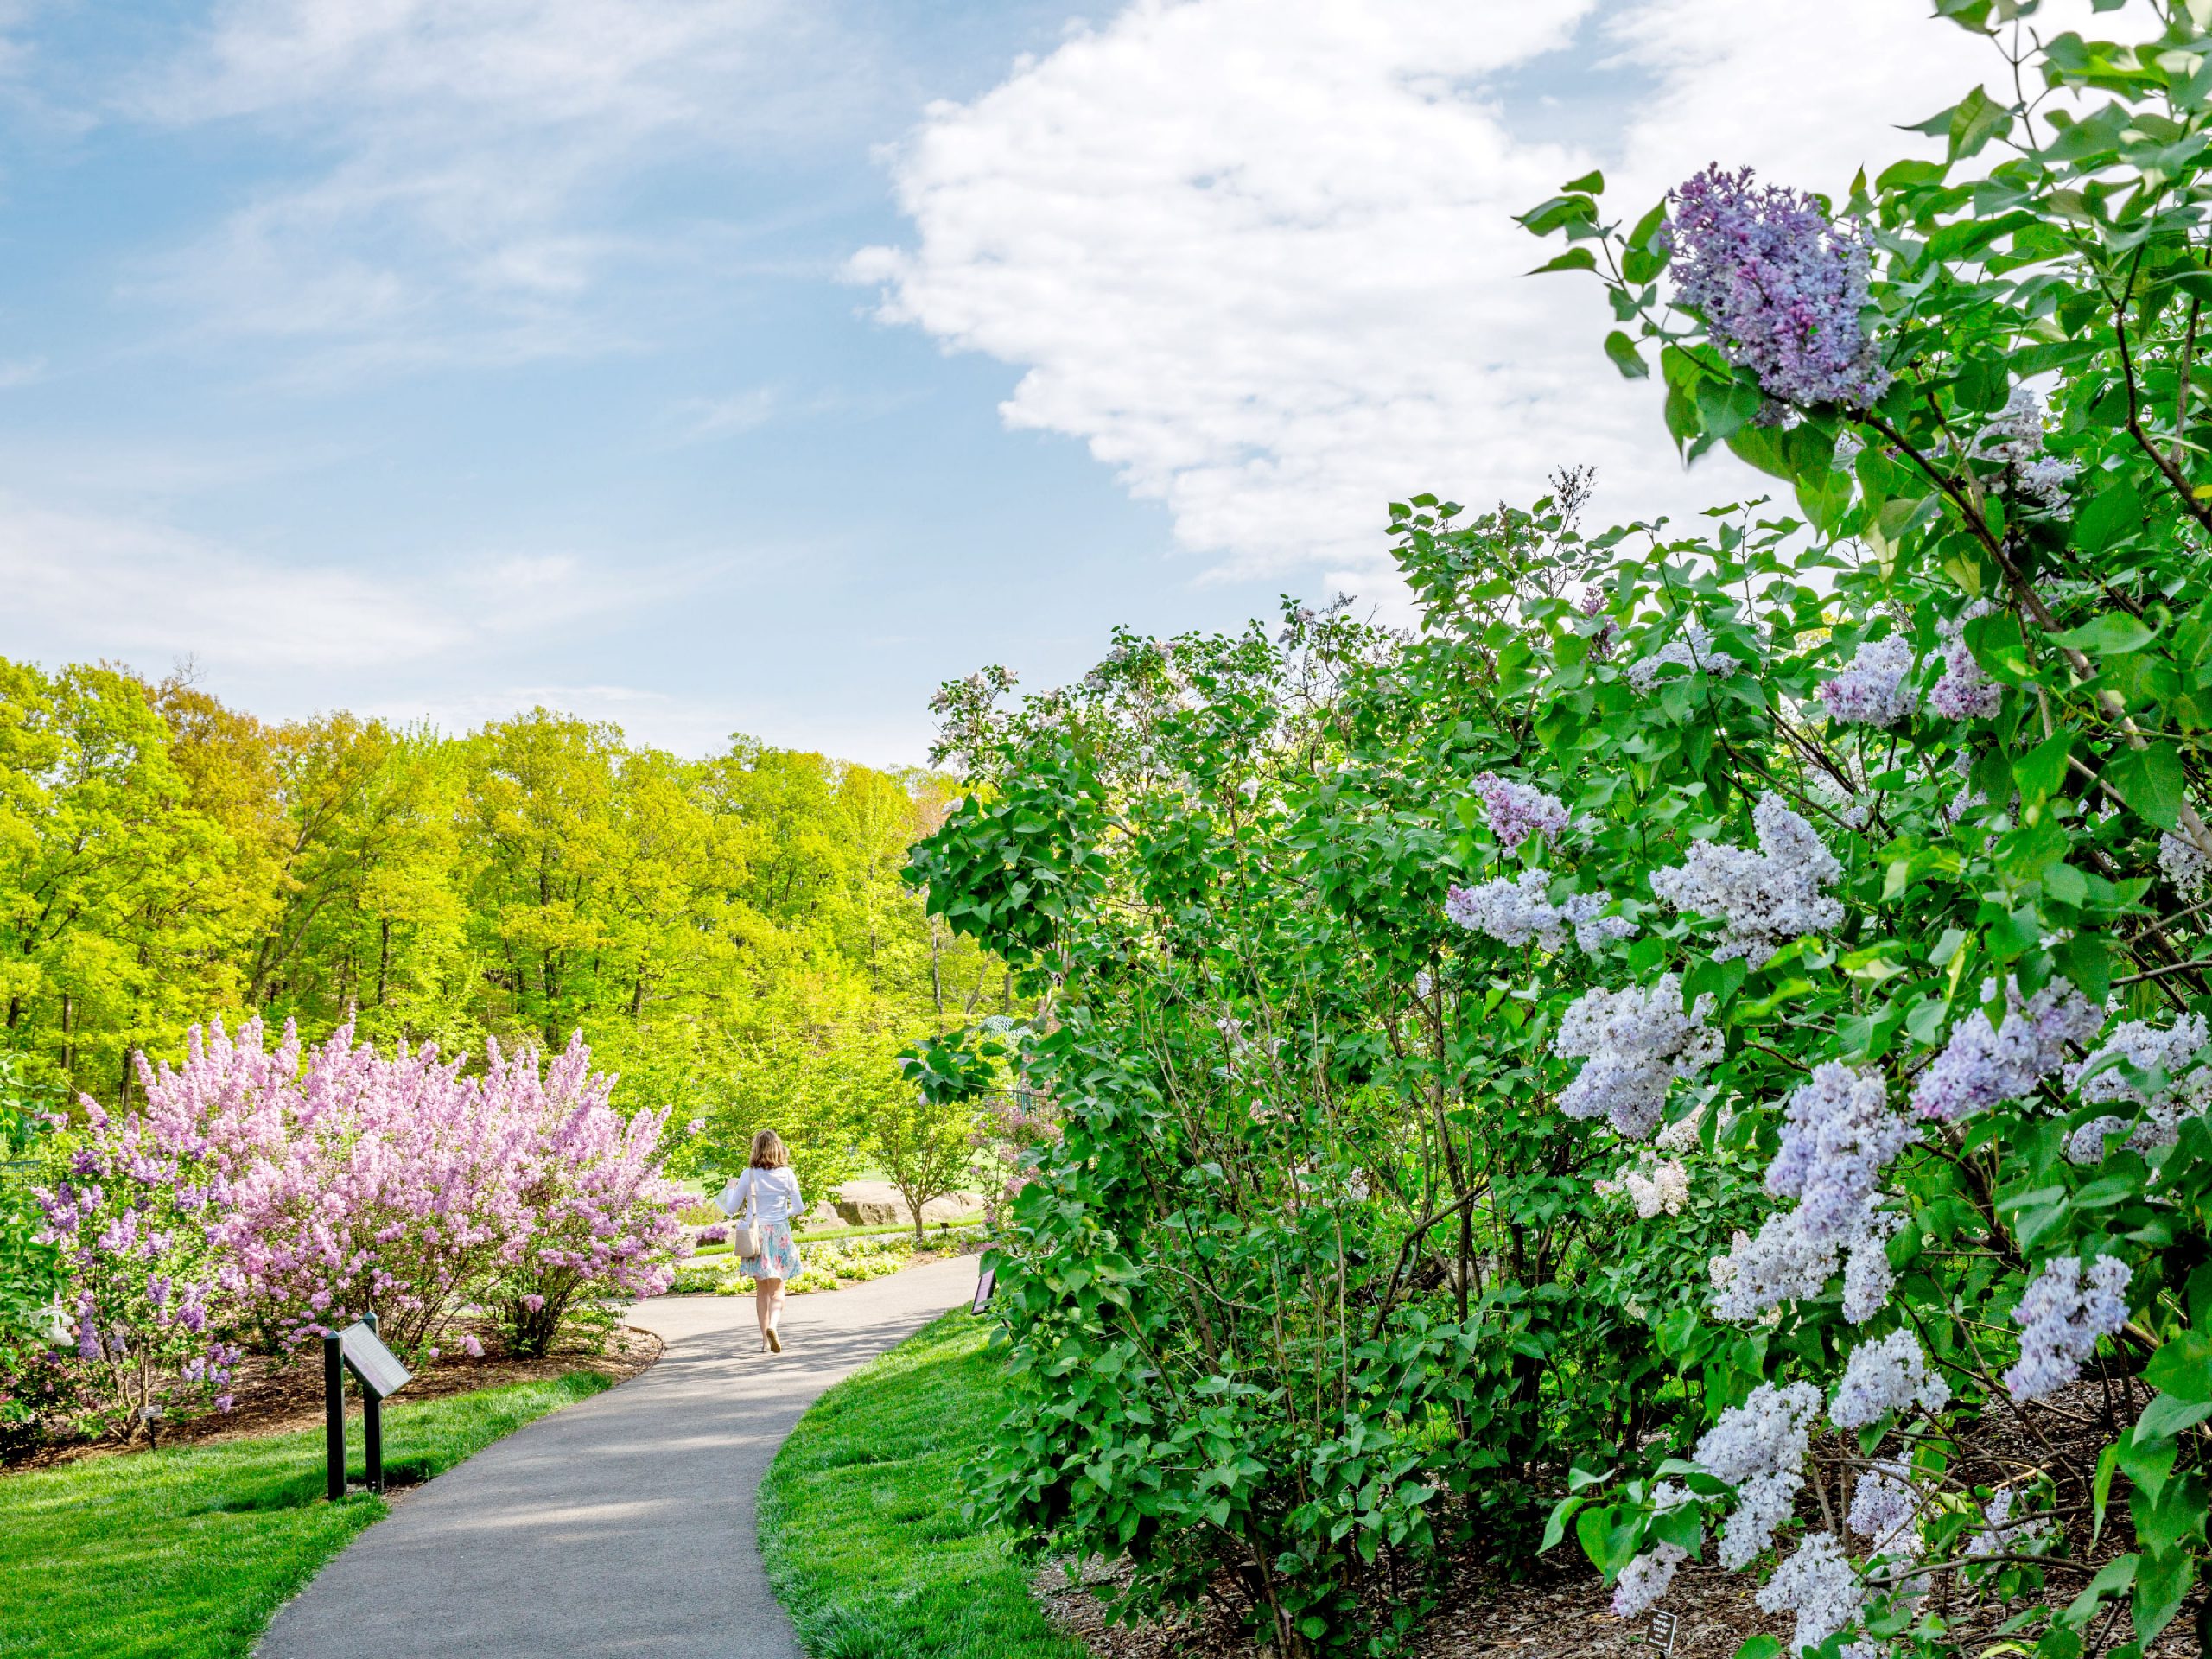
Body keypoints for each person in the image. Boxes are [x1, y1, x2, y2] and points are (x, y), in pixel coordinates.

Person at [716, 1130, 804, 1353]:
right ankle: (773, 1326)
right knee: (778, 1290)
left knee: (762, 1292)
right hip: (780, 1234)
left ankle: (765, 1342)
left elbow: (730, 1209)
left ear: (756, 1148)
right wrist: (784, 1214)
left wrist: (729, 1188)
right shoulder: (787, 1174)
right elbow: (800, 1208)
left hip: (757, 1237)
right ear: (778, 1148)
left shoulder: (748, 1174)